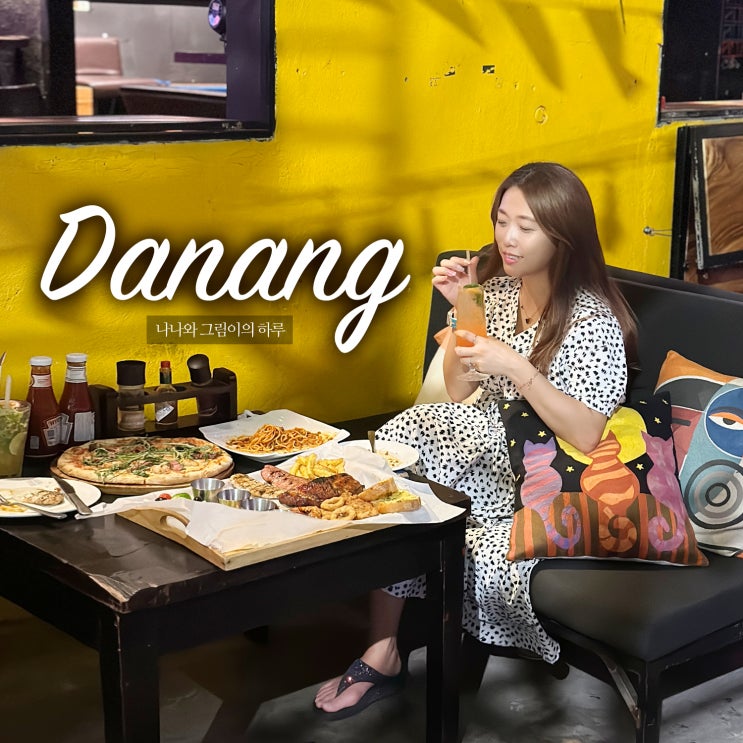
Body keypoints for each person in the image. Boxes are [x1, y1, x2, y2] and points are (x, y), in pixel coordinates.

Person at [314, 161, 637, 719]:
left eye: (526, 227)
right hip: (478, 453)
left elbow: (588, 432)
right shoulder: (499, 294)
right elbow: (462, 386)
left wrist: (517, 368)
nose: (507, 238)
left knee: (414, 468)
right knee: (404, 454)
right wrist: (466, 306)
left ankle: (384, 649)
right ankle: (382, 648)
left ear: (564, 236)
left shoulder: (593, 319)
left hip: (539, 471)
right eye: (501, 220)